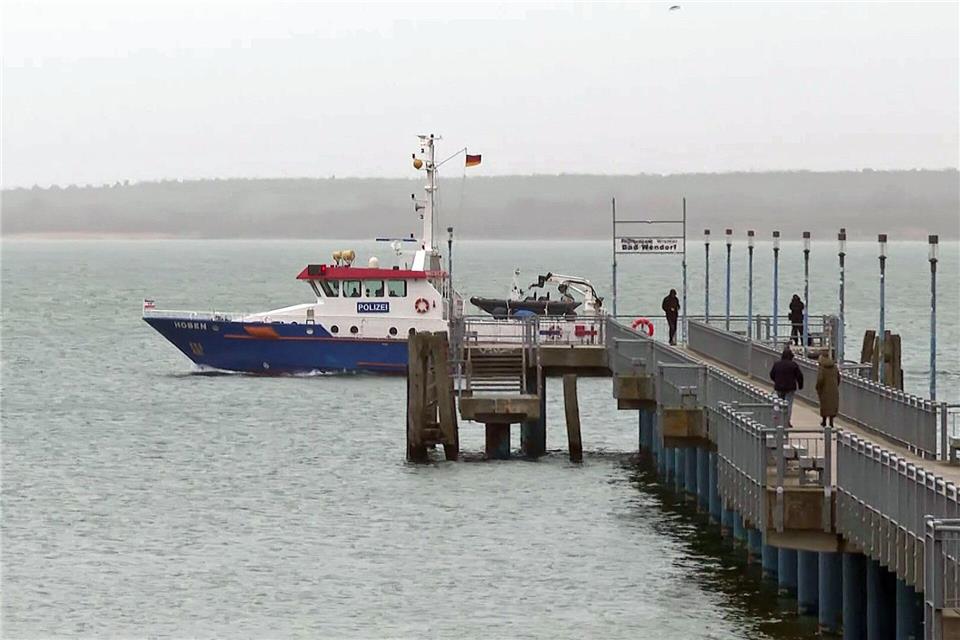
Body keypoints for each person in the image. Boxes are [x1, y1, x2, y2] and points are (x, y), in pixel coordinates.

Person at [770, 347, 804, 427]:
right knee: (788, 405)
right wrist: (800, 385)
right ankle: (786, 422)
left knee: (778, 405)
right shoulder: (793, 365)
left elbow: (772, 374)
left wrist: (777, 381)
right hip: (790, 388)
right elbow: (799, 376)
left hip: (779, 387)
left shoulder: (777, 364)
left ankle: (778, 422)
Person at [815, 353, 841, 427]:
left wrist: (818, 387)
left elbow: (820, 379)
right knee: (832, 405)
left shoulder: (822, 367)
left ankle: (824, 421)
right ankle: (831, 422)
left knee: (824, 405)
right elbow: (838, 377)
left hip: (824, 389)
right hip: (833, 389)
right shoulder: (834, 367)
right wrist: (836, 385)